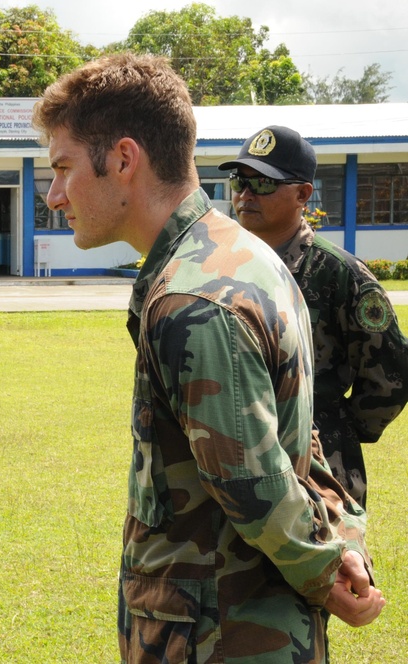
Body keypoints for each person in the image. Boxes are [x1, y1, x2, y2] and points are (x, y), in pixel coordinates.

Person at [33, 53, 385, 663]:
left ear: (123, 159)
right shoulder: (245, 257)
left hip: (218, 632)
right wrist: (342, 537)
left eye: (63, 168)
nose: (54, 195)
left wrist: (331, 571)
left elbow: (257, 483)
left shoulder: (193, 299)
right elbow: (302, 440)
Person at [219, 125, 408, 508]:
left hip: (320, 474)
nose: (246, 194)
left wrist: (336, 428)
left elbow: (392, 375)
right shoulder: (224, 266)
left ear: (303, 194)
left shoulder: (340, 274)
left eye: (265, 184)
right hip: (238, 463)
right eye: (240, 181)